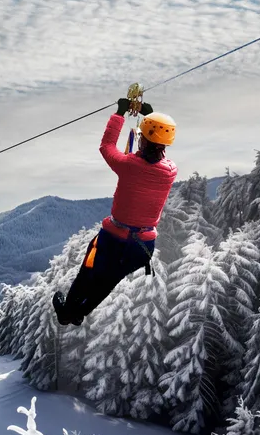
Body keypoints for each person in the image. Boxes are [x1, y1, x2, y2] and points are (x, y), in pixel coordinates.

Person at [52, 96, 178, 326]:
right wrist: (149, 117)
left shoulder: (129, 165)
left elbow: (107, 147)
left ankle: (68, 312)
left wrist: (119, 114)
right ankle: (80, 312)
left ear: (143, 140)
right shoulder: (170, 171)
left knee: (89, 270)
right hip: (143, 247)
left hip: (115, 239)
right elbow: (156, 152)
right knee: (108, 281)